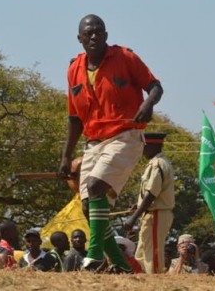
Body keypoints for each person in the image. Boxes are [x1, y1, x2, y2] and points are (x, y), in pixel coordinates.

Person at [59, 14, 163, 274]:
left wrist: (147, 104)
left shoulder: (125, 57)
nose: (94, 36)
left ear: (106, 34)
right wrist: (65, 156)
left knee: (95, 186)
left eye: (99, 31)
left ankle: (93, 257)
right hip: (93, 142)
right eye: (88, 33)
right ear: (79, 38)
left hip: (125, 136)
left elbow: (155, 87)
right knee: (87, 207)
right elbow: (74, 118)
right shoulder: (74, 69)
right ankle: (118, 262)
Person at [122, 132, 174, 274]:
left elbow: (152, 193)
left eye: (144, 146)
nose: (142, 149)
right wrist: (138, 206)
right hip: (151, 214)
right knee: (142, 254)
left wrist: (134, 217)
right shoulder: (159, 162)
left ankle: (156, 285)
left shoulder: (157, 164)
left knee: (153, 255)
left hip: (156, 214)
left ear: (152, 146)